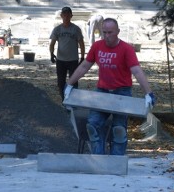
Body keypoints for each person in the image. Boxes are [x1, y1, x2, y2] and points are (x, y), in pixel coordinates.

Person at [65, 18, 155, 155]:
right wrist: (69, 84)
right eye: (104, 32)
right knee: (93, 126)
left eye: (110, 32)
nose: (107, 36)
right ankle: (99, 159)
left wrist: (148, 92)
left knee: (119, 130)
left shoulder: (126, 49)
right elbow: (84, 66)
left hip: (122, 93)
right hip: (102, 92)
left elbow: (136, 70)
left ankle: (116, 161)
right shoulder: (97, 46)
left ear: (118, 32)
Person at [49, 6, 85, 101]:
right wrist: (51, 54)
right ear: (61, 16)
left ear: (71, 16)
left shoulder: (76, 29)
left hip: (73, 59)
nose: (66, 17)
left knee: (74, 81)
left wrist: (82, 57)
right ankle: (64, 99)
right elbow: (52, 43)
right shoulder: (57, 29)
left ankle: (73, 99)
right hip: (60, 60)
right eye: (64, 15)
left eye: (68, 15)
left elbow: (81, 43)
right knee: (61, 82)